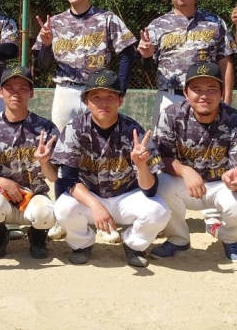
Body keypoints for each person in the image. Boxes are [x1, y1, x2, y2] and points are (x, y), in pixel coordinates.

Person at [51, 69, 170, 268]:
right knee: (63, 207)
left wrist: (141, 166)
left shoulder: (134, 131)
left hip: (125, 197)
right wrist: (96, 206)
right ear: (86, 101)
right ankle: (82, 244)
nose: (103, 103)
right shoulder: (75, 128)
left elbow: (150, 189)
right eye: (96, 97)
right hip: (90, 196)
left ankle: (134, 245)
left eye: (110, 96)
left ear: (120, 100)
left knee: (159, 211)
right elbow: (69, 179)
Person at [151, 62, 237, 264]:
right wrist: (185, 171)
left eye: (211, 89)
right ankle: (178, 239)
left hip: (222, 186)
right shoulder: (171, 115)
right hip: (185, 185)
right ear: (186, 93)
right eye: (197, 89)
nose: (204, 95)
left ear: (221, 92)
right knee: (160, 184)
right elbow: (159, 158)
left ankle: (230, 238)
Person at [33, 0, 138, 132]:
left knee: (98, 140)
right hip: (65, 91)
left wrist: (120, 90)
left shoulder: (107, 18)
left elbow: (127, 53)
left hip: (97, 91)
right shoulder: (55, 22)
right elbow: (43, 65)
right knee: (62, 140)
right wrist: (46, 45)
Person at [0, 65, 59, 259]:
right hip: (2, 196)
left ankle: (37, 237)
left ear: (31, 93)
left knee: (46, 214)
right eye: (10, 88)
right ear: (0, 92)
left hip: (34, 196)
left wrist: (44, 162)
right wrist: (0, 181)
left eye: (22, 88)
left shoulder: (46, 128)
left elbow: (53, 177)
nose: (16, 93)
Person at [138, 0, 237, 127]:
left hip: (206, 98)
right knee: (164, 142)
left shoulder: (215, 22)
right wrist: (146, 56)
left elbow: (225, 62)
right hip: (169, 96)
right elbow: (146, 69)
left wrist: (226, 100)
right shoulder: (157, 26)